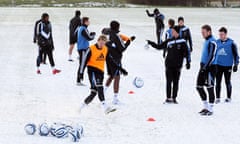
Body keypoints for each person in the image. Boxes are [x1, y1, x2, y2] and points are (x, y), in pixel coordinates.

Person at [79, 35, 128, 114]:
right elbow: (84, 61)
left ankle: (81, 107)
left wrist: (121, 69)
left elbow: (111, 61)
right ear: (98, 41)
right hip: (92, 71)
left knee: (93, 93)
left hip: (100, 72)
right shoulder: (91, 49)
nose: (101, 44)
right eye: (100, 42)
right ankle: (105, 107)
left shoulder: (105, 49)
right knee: (100, 87)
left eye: (103, 43)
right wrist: (81, 73)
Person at [147, 26, 191, 104]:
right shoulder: (169, 41)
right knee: (168, 82)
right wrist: (151, 43)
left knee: (176, 82)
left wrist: (188, 62)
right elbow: (159, 46)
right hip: (169, 65)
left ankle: (174, 98)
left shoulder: (182, 41)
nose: (172, 32)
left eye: (173, 31)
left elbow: (187, 53)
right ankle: (168, 98)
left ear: (177, 32)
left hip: (178, 65)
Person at [105, 20, 133, 105]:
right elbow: (122, 48)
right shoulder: (117, 36)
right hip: (116, 59)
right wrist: (128, 42)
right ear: (117, 27)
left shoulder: (107, 33)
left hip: (107, 57)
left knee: (111, 76)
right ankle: (115, 99)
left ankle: (103, 92)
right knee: (117, 77)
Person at [213, 27, 239, 104]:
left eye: (222, 34)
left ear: (226, 34)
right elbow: (213, 54)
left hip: (228, 66)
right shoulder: (216, 42)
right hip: (218, 65)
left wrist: (236, 64)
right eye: (220, 34)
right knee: (218, 82)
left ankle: (228, 97)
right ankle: (217, 98)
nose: (221, 36)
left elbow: (236, 55)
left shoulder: (231, 43)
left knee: (227, 81)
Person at [196, 25, 217, 116]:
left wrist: (205, 67)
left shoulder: (212, 41)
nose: (202, 34)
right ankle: (205, 106)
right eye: (202, 33)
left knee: (209, 86)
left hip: (210, 67)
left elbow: (212, 56)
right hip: (203, 66)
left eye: (203, 32)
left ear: (209, 32)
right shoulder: (206, 41)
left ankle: (211, 109)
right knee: (199, 86)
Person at [76, 17, 96, 85]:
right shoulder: (83, 28)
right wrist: (93, 35)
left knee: (83, 64)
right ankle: (79, 80)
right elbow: (89, 38)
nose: (89, 22)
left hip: (83, 48)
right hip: (83, 49)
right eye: (88, 21)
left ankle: (79, 79)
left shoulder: (83, 28)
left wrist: (90, 34)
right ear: (85, 22)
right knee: (82, 64)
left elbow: (86, 36)